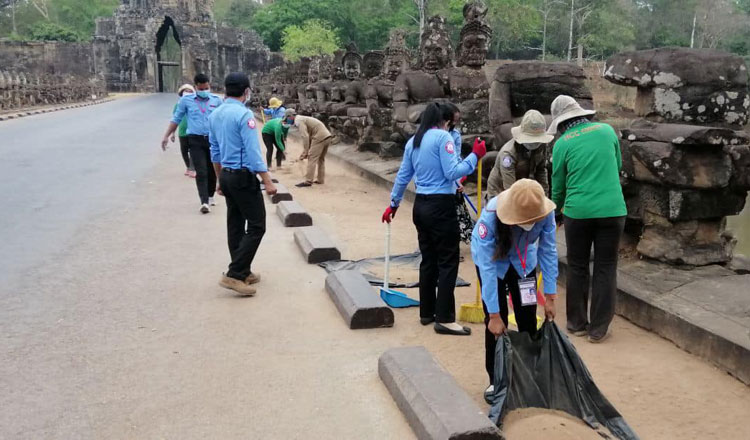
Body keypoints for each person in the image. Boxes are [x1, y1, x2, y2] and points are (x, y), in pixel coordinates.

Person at [382, 101, 487, 336]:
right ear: (446, 121)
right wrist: (474, 157)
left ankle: (427, 312)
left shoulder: (414, 142)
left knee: (428, 260)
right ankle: (445, 318)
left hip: (420, 205)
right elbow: (452, 172)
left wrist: (393, 204)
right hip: (441, 205)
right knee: (448, 262)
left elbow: (403, 175)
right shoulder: (443, 139)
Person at [548, 95, 627, 343]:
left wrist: (555, 212)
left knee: (578, 265)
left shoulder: (561, 144)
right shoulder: (607, 130)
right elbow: (618, 166)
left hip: (578, 212)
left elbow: (558, 186)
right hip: (613, 210)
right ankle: (599, 329)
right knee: (606, 267)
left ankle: (577, 323)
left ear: (561, 123)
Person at [471, 178, 558, 398]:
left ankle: (529, 373)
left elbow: (548, 251)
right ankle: (495, 379)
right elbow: (487, 269)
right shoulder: (490, 218)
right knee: (495, 325)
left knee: (527, 317)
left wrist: (550, 295)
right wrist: (493, 314)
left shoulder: (545, 213)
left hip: (523, 263)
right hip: (494, 263)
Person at [209, 73, 278, 296]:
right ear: (246, 91)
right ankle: (235, 273)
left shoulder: (215, 114)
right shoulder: (244, 115)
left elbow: (215, 151)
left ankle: (243, 270)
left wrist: (219, 179)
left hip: (227, 175)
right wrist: (267, 181)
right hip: (242, 176)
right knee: (257, 225)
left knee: (236, 223)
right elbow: (253, 152)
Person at [161, 73, 223, 214]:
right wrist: (167, 135)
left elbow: (224, 119)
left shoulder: (217, 100)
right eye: (201, 89)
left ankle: (211, 195)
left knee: (211, 169)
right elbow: (176, 118)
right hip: (194, 139)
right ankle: (204, 201)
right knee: (200, 171)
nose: (204, 91)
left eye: (206, 88)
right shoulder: (186, 101)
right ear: (196, 87)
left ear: (209, 86)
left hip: (213, 140)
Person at [487, 110, 553, 199]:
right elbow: (509, 188)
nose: (535, 143)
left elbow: (541, 170)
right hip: (500, 190)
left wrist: (544, 197)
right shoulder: (508, 154)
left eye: (537, 140)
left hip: (521, 184)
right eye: (531, 140)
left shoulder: (541, 146)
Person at [283, 109, 334, 188]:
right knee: (321, 159)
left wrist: (306, 151)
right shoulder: (303, 118)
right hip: (327, 136)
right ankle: (320, 179)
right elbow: (309, 135)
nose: (287, 120)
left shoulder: (299, 120)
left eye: (287, 118)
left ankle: (308, 181)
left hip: (319, 137)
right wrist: (307, 149)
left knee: (311, 158)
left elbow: (305, 136)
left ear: (291, 116)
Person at [171, 84, 196, 178]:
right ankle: (188, 167)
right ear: (181, 93)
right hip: (182, 131)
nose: (188, 93)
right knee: (184, 150)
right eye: (186, 91)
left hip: (193, 131)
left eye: (190, 91)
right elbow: (174, 119)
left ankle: (193, 169)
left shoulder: (194, 104)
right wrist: (172, 133)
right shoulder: (177, 106)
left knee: (193, 150)